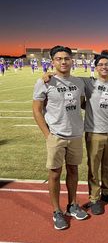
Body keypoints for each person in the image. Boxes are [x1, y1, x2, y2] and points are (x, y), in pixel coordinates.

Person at [32, 45, 88, 230]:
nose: (63, 62)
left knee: (73, 170)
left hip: (75, 134)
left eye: (66, 58)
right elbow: (37, 110)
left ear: (72, 60)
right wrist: (48, 135)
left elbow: (81, 104)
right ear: (53, 61)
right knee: (55, 173)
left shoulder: (78, 82)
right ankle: (57, 211)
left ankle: (72, 205)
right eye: (59, 59)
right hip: (56, 135)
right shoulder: (45, 82)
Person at [81, 56, 108, 214]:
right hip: (94, 132)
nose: (104, 67)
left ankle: (106, 192)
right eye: (101, 64)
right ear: (96, 67)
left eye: (107, 64)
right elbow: (67, 79)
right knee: (93, 167)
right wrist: (48, 75)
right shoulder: (88, 83)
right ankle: (94, 198)